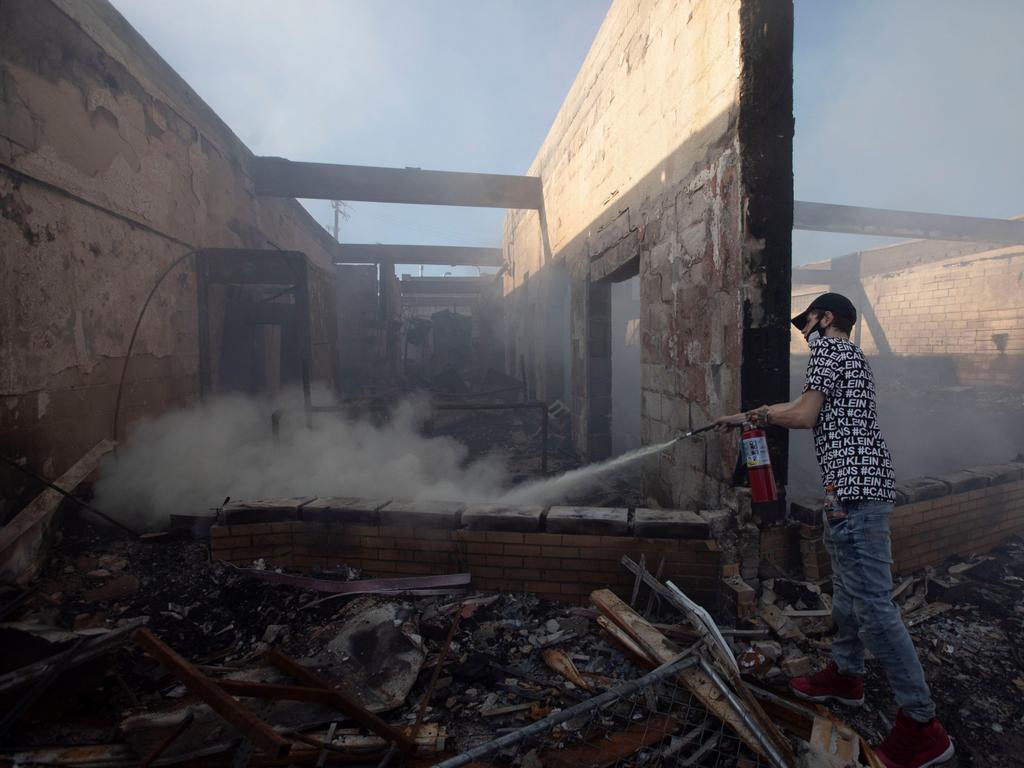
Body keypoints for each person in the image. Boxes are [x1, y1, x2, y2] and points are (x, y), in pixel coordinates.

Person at [715, 293, 954, 768]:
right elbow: (804, 404)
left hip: (857, 496)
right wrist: (750, 415)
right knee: (847, 596)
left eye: (807, 322)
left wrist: (758, 417)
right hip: (851, 495)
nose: (804, 331)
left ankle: (923, 726)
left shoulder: (829, 350)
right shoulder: (851, 358)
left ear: (827, 319)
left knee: (875, 610)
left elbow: (804, 416)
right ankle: (846, 677)